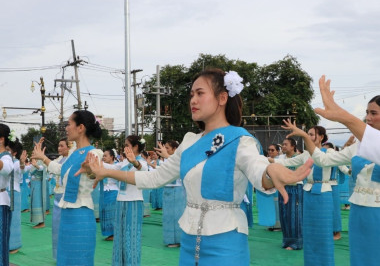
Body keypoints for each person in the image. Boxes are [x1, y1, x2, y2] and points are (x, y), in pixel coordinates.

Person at [80, 68, 313, 265]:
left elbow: (258, 169)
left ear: (222, 98)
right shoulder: (190, 141)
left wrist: (272, 171)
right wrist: (106, 171)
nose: (193, 100)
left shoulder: (241, 140)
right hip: (189, 239)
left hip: (226, 240)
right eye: (191, 94)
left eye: (200, 93)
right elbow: (154, 178)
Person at [287, 94, 380, 266]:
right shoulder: (357, 147)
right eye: (367, 112)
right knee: (360, 256)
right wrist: (307, 139)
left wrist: (342, 116)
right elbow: (323, 160)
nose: (368, 117)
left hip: (377, 211)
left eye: (374, 113)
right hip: (358, 209)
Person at [32, 110, 103, 266]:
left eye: (69, 124)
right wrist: (43, 158)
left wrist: (91, 171)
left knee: (79, 259)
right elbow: (60, 170)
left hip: (81, 214)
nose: (66, 128)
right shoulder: (73, 153)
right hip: (67, 215)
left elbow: (95, 173)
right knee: (65, 258)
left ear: (80, 127)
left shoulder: (94, 152)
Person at [273, 124, 335, 266]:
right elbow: (288, 161)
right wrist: (270, 161)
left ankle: (325, 261)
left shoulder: (329, 152)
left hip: (324, 192)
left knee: (323, 230)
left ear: (321, 137)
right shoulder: (306, 154)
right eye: (308, 134)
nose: (309, 137)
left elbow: (342, 162)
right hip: (308, 191)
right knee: (309, 228)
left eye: (312, 134)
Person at [99, 135, 147, 265]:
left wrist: (134, 162)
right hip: (121, 201)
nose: (124, 147)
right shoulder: (124, 162)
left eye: (127, 145)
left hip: (134, 202)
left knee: (131, 236)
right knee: (120, 236)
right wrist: (95, 158)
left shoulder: (141, 162)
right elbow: (112, 168)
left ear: (136, 147)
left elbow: (143, 169)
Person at [35, 137, 70, 261]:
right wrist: (40, 156)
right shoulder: (60, 159)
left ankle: (67, 257)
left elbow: (58, 169)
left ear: (69, 146)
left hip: (66, 197)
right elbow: (48, 166)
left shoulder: (71, 159)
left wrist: (43, 158)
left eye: (62, 146)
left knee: (65, 228)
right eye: (58, 146)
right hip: (57, 195)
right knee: (56, 228)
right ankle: (58, 256)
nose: (59, 148)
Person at [269, 138, 303, 250]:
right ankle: (286, 241)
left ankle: (296, 243)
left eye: (286, 144)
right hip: (283, 188)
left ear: (293, 146)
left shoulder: (299, 157)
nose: (283, 146)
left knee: (294, 216)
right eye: (282, 144)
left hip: (295, 188)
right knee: (284, 215)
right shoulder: (280, 158)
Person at [161, 140, 186, 247]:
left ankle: (179, 240)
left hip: (178, 190)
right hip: (167, 189)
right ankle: (170, 239)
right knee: (168, 216)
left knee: (177, 215)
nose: (165, 150)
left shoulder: (179, 158)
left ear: (175, 149)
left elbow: (181, 170)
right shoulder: (166, 160)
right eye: (164, 147)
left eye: (167, 148)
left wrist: (167, 156)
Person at [0, 124, 15, 265]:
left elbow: (6, 169)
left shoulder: (6, 157)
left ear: (1, 139)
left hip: (1, 202)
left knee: (0, 241)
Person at [7, 138, 25, 254]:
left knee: (13, 220)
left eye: (8, 150)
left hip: (14, 194)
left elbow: (21, 169)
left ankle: (14, 245)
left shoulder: (17, 162)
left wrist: (23, 163)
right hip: (4, 194)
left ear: (14, 153)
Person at [99, 148, 118, 241]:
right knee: (104, 211)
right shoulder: (102, 166)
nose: (104, 157)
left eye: (106, 156)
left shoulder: (116, 166)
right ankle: (108, 232)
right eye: (103, 156)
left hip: (112, 190)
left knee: (111, 212)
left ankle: (114, 233)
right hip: (103, 191)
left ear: (112, 157)